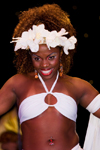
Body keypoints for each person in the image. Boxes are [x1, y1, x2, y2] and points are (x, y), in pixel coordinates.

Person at [0, 3, 100, 150]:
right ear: (29, 57)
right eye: (37, 58)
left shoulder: (78, 86)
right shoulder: (18, 83)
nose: (44, 64)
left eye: (51, 57)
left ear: (61, 54)